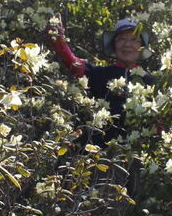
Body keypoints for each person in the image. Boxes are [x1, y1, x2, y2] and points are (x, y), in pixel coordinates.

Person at [46, 15, 156, 144]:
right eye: (121, 39)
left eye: (134, 39)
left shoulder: (152, 81)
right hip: (98, 152)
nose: (127, 44)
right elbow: (73, 62)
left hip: (137, 153)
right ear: (114, 45)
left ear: (142, 46)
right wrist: (58, 39)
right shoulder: (99, 74)